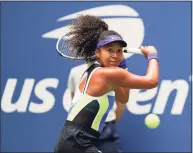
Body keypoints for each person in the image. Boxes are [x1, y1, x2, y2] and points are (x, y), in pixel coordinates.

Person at [54, 15, 159, 153]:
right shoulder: (105, 74)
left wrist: (123, 68)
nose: (115, 55)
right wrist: (152, 56)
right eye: (110, 50)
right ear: (97, 52)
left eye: (119, 51)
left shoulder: (99, 72)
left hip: (72, 141)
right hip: (77, 142)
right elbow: (151, 81)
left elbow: (123, 98)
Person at [67, 62, 126, 152]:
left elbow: (121, 103)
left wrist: (107, 122)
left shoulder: (113, 73)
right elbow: (74, 100)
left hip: (107, 127)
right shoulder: (75, 72)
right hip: (82, 130)